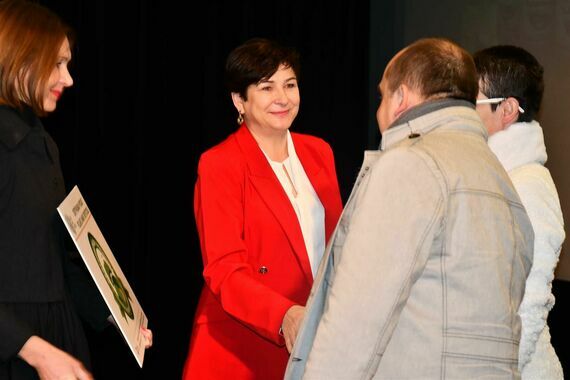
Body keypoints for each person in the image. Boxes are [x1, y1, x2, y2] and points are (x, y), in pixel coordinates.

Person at [285, 37, 534, 379]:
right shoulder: (500, 179)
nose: (378, 110)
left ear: (400, 99)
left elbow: (357, 317)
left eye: (382, 95)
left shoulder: (410, 165)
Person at [0, 1, 152, 379]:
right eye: (57, 64)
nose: (68, 79)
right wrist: (33, 350)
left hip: (53, 335)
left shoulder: (43, 143)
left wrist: (115, 312)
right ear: (19, 58)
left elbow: (60, 254)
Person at [182, 38, 343, 379]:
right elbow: (224, 269)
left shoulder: (319, 153)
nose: (282, 98)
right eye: (267, 88)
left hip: (314, 338)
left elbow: (337, 246)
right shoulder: (219, 164)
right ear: (239, 99)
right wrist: (284, 315)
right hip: (242, 345)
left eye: (290, 85)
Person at [474, 45, 565, 380]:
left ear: (508, 109)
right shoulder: (493, 177)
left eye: (472, 99)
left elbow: (528, 306)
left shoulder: (530, 186)